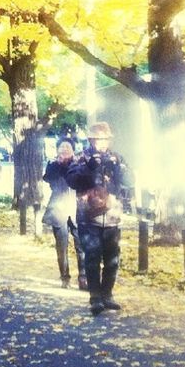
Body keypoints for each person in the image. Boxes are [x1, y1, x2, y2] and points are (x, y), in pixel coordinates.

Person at [65, 121, 129, 315]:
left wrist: (119, 169)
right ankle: (95, 297)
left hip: (112, 215)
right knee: (92, 256)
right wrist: (90, 168)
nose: (102, 143)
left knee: (112, 258)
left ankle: (107, 294)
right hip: (88, 216)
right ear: (91, 140)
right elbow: (72, 181)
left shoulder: (117, 158)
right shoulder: (80, 158)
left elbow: (128, 181)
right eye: (99, 139)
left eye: (105, 139)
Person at [42, 139, 82, 288]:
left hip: (77, 209)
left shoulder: (78, 164)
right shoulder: (53, 165)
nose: (65, 149)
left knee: (81, 244)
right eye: (62, 146)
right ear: (57, 149)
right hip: (58, 209)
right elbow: (48, 178)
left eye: (68, 146)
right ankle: (65, 277)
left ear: (73, 149)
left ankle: (83, 277)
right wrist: (58, 164)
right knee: (61, 246)